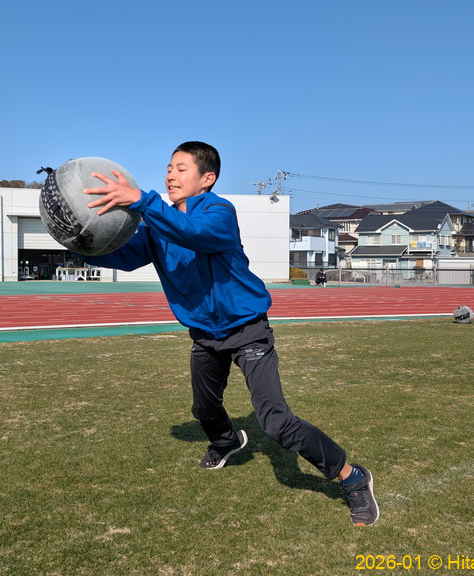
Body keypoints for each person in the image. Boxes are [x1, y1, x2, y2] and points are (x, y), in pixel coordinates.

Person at [82, 141, 378, 526]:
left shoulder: (219, 212)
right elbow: (120, 254)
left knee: (276, 423)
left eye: (181, 169)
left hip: (247, 330)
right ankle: (227, 441)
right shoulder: (158, 225)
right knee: (204, 409)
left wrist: (142, 201)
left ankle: (352, 477)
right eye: (169, 168)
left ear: (207, 178)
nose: (170, 175)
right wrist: (78, 240)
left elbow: (196, 234)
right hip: (205, 334)